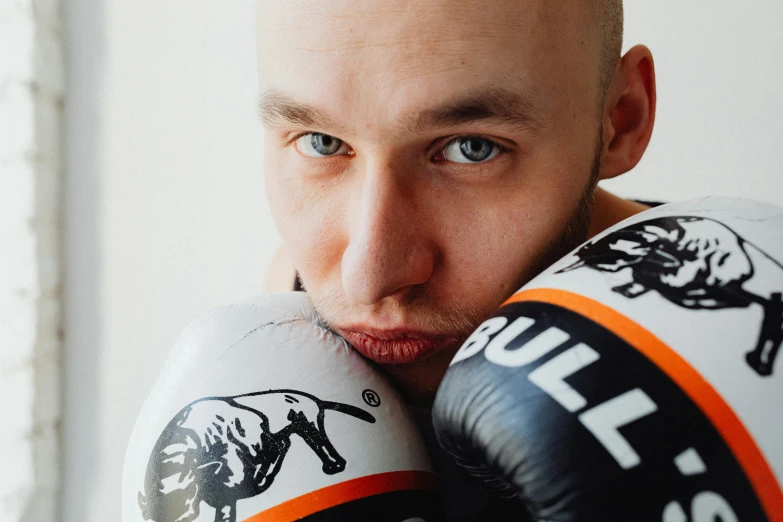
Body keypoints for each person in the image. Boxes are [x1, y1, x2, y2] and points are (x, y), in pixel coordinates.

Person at [260, 0, 655, 406]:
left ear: (622, 121)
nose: (368, 280)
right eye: (321, 143)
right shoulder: (292, 295)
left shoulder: (720, 350)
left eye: (473, 148)